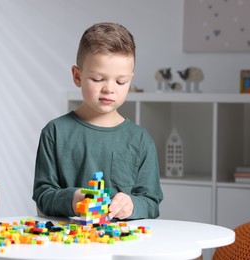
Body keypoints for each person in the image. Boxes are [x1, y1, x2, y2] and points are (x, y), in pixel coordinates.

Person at [32, 22, 163, 220]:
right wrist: (74, 199)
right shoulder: (55, 132)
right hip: (67, 242)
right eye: (97, 79)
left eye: (121, 82)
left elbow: (151, 202)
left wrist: (131, 205)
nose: (110, 88)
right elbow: (43, 195)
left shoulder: (141, 140)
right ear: (77, 76)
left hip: (122, 241)